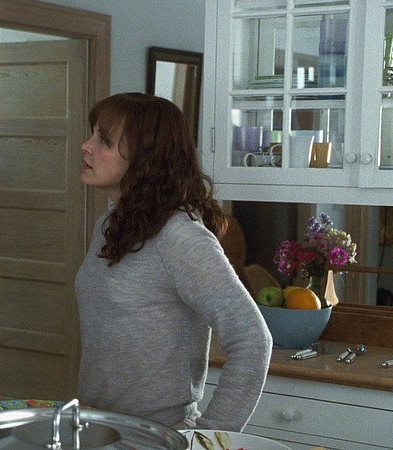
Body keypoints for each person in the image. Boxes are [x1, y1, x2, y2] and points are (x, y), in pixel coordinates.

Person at [74, 92, 272, 431]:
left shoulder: (179, 236)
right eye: (92, 134)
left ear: (144, 156)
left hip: (159, 435)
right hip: (99, 429)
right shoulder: (109, 224)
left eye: (102, 139)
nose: (86, 146)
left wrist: (208, 439)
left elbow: (252, 340)